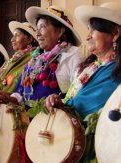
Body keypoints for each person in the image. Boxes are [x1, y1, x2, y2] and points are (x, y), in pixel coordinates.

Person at [46, 2, 121, 161]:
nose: (87, 36)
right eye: (88, 29)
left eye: (93, 30)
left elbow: (80, 107)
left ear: (115, 33)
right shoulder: (93, 66)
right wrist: (57, 101)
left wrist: (60, 105)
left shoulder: (115, 72)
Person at [0, 5, 83, 105]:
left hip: (53, 119)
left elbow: (78, 95)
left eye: (42, 27)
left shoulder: (72, 55)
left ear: (59, 31)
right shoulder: (34, 60)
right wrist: (10, 98)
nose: (37, 34)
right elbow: (20, 94)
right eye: (37, 28)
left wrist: (60, 103)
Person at [1, 21, 38, 93]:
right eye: (13, 36)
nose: (12, 40)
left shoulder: (34, 58)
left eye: (17, 35)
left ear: (29, 39)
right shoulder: (15, 58)